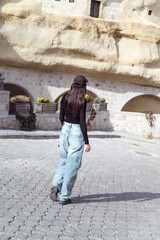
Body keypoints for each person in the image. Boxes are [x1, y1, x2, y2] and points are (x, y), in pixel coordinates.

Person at [50, 75, 91, 205]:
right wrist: (87, 142)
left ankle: (56, 185)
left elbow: (61, 117)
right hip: (76, 132)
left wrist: (65, 129)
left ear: (73, 84)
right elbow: (82, 123)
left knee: (63, 161)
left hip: (65, 130)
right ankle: (64, 197)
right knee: (72, 165)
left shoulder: (64, 97)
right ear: (84, 87)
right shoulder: (82, 101)